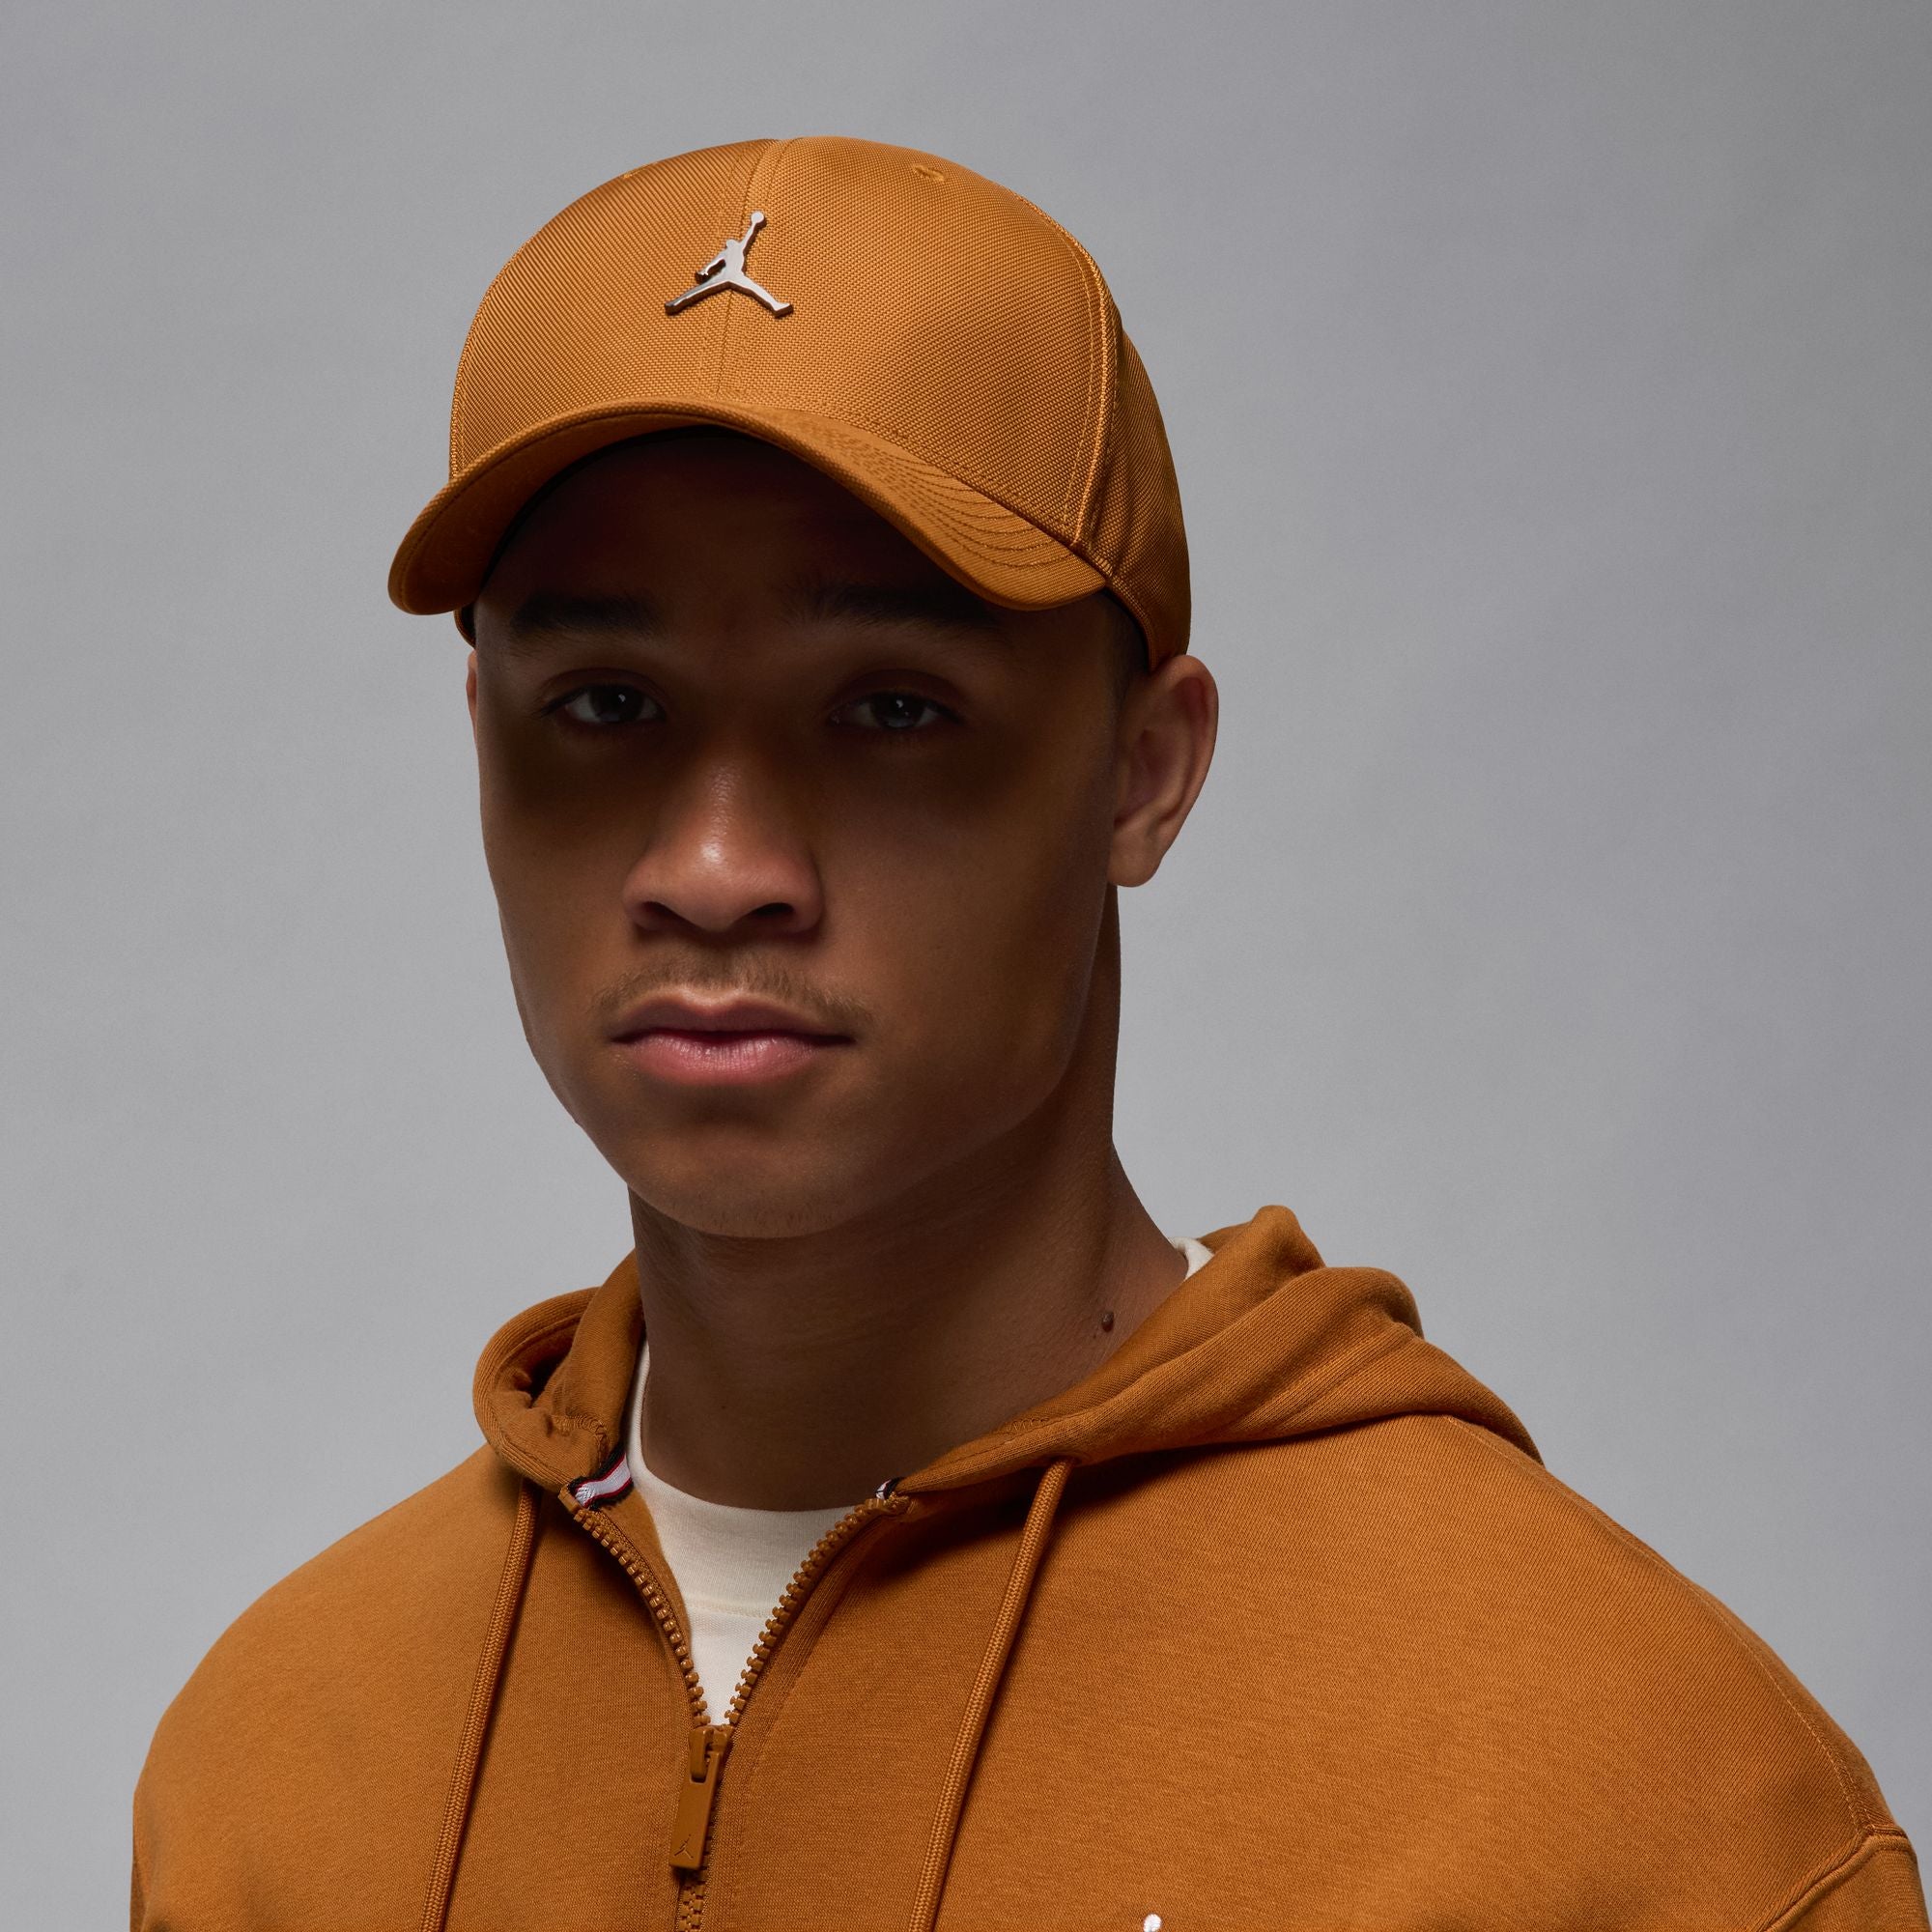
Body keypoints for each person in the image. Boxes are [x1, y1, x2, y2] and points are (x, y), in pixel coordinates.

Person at [129, 134, 1926, 1932]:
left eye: (892, 710)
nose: (718, 869)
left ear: (1145, 771)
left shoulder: (1633, 1790)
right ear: (482, 739)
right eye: (606, 703)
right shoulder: (276, 1766)